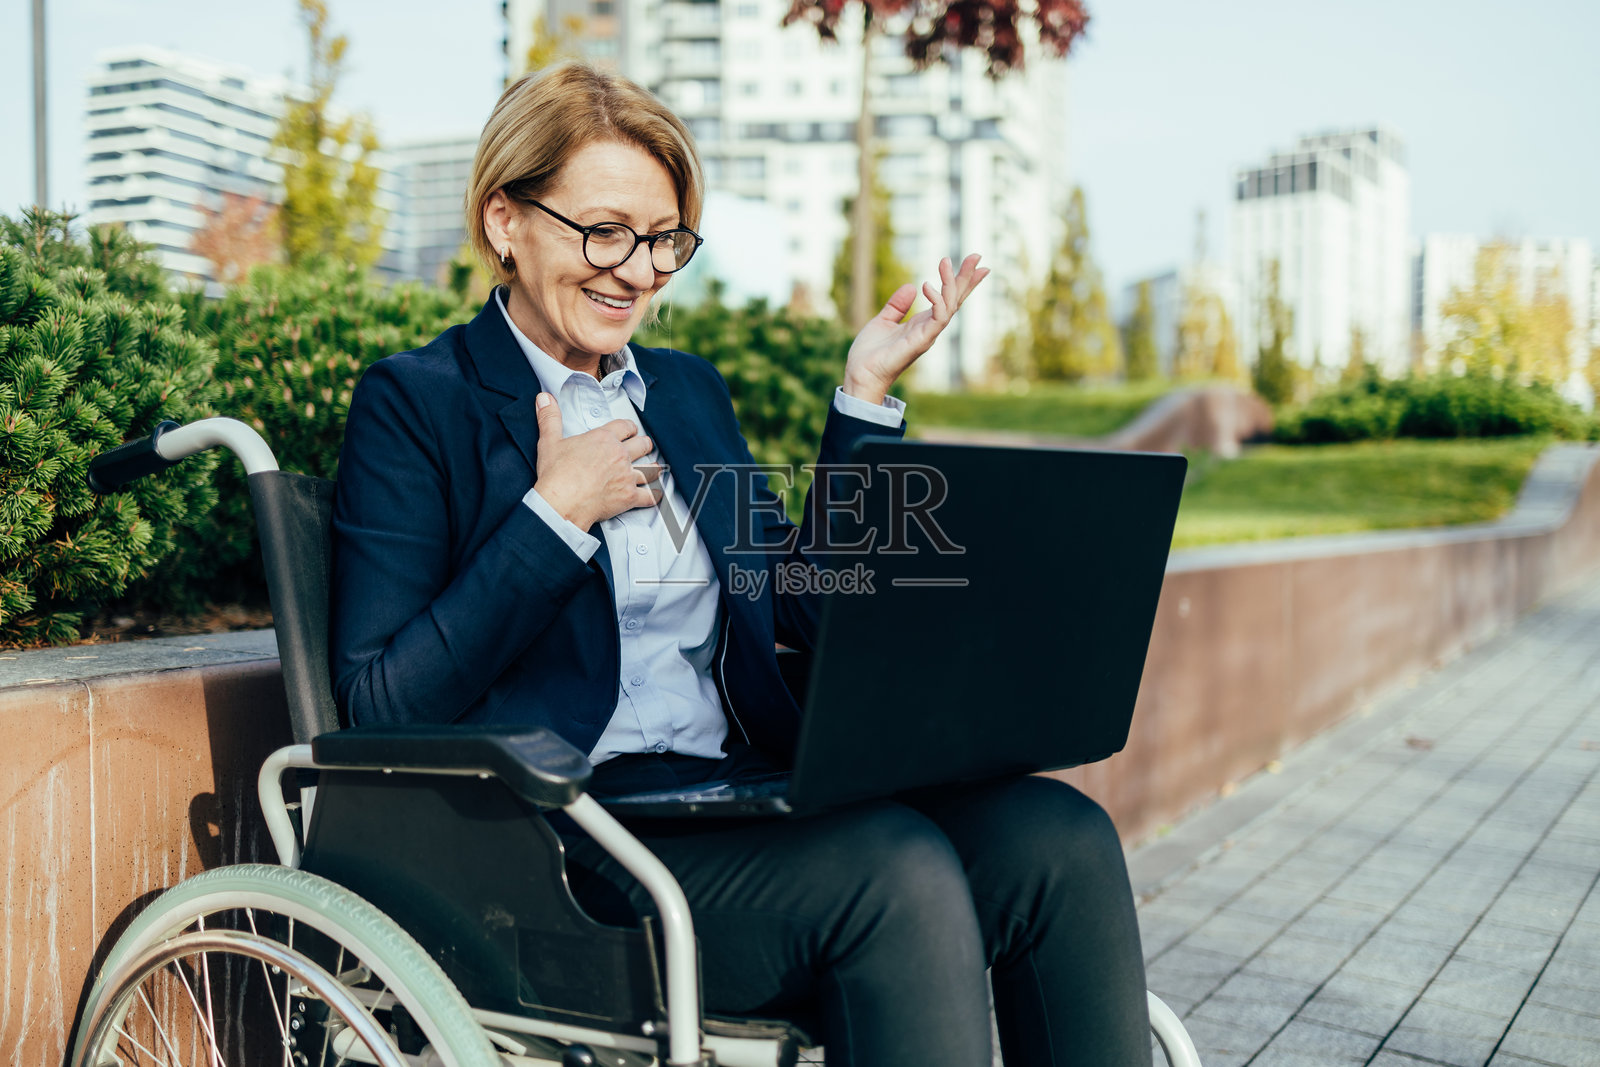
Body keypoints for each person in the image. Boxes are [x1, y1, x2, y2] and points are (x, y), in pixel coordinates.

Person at [329, 62, 1149, 1067]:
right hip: (560, 845)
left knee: (1054, 836)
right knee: (895, 870)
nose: (637, 271)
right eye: (604, 231)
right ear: (506, 218)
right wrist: (555, 515)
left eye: (663, 240)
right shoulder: (418, 404)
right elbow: (376, 703)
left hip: (730, 795)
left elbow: (790, 608)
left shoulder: (682, 394)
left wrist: (863, 400)